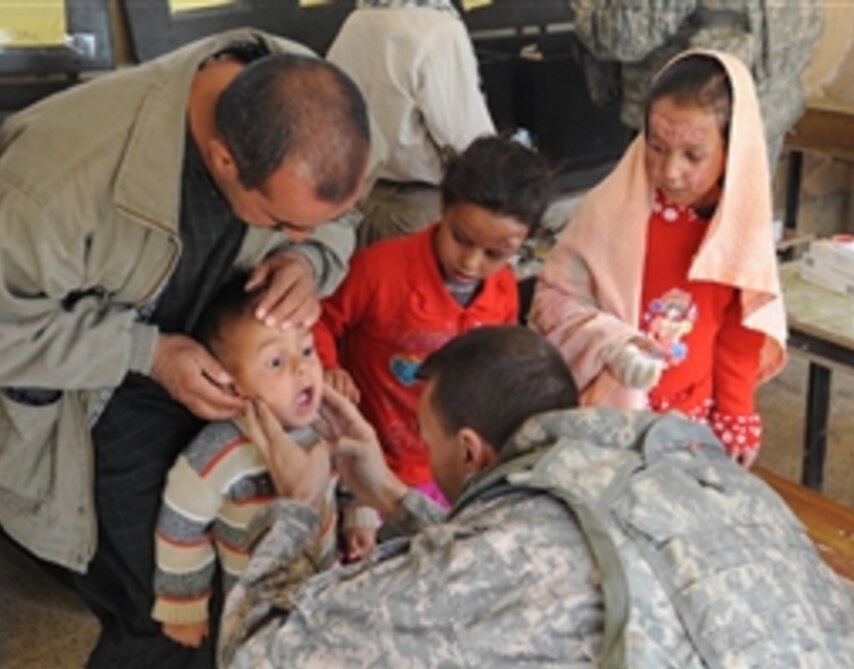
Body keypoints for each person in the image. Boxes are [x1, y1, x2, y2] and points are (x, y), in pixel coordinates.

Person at [0, 29, 374, 669]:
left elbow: (340, 217)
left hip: (199, 364)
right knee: (162, 611)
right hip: (79, 397)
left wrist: (310, 264)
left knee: (226, 601)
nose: (296, 237)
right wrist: (147, 352)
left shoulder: (312, 102)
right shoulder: (60, 182)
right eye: (279, 223)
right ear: (220, 158)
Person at [219, 325, 854, 669]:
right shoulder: (673, 464)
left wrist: (300, 509)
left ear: (469, 451)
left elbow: (259, 668)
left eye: (429, 440)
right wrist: (391, 493)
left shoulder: (522, 549)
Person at [529, 50, 787, 468]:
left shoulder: (736, 228)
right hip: (609, 408)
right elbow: (555, 299)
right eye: (657, 146)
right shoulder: (612, 211)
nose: (670, 171)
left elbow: (739, 333)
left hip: (690, 417)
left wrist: (736, 411)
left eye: (693, 156)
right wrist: (613, 345)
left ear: (733, 149)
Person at [313, 134, 553, 508]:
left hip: (446, 468)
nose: (471, 263)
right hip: (369, 461)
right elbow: (321, 318)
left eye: (496, 253)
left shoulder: (504, 289)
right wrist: (328, 367)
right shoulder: (379, 271)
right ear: (442, 206)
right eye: (461, 239)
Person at [152, 273, 378, 653]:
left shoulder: (326, 423)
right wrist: (184, 608)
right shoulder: (218, 451)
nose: (301, 368)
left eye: (306, 351)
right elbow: (180, 525)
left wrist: (358, 520)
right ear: (230, 384)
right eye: (275, 361)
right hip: (253, 605)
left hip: (324, 577)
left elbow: (352, 479)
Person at [569, 0, 822, 172]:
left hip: (685, 134)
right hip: (764, 113)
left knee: (672, 242)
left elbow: (619, 35)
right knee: (737, 237)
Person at [326, 0, 496, 246]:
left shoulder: (356, 21)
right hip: (418, 211)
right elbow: (466, 140)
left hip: (358, 205)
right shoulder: (439, 30)